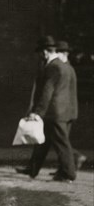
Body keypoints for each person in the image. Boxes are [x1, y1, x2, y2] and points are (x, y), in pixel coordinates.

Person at [16, 36, 77, 182]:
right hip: (61, 112)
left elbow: (47, 92)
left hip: (54, 113)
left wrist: (37, 113)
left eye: (40, 53)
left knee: (61, 144)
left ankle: (69, 173)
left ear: (45, 52)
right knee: (43, 142)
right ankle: (33, 169)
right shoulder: (66, 67)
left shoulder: (53, 67)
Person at [56, 41, 86, 171]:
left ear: (64, 54)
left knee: (61, 141)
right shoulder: (68, 68)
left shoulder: (64, 69)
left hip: (64, 112)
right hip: (68, 111)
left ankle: (75, 158)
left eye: (58, 53)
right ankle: (64, 168)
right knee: (61, 140)